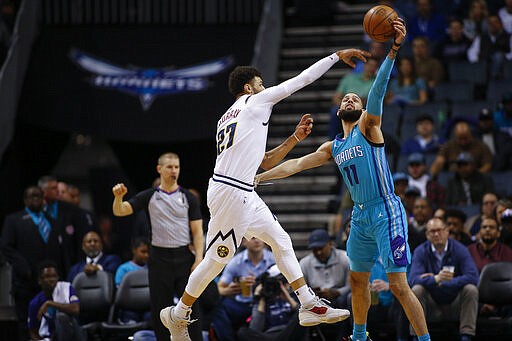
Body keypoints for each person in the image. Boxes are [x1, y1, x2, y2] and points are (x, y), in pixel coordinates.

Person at [156, 46, 372, 340]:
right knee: (216, 261)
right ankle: (179, 314)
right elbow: (302, 79)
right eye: (260, 83)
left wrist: (295, 138)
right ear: (249, 87)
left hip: (239, 189)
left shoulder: (227, 117)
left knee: (280, 240)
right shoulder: (256, 102)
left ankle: (307, 303)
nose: (265, 86)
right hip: (232, 191)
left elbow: (262, 161)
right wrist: (336, 57)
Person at [256, 19, 431, 341]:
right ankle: (360, 337)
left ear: (363, 110)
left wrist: (393, 50)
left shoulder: (369, 128)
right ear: (338, 111)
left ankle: (424, 339)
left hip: (386, 210)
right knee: (356, 281)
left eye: (356, 99)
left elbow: (377, 91)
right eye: (346, 99)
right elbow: (294, 165)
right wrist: (257, 178)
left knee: (398, 285)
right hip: (360, 216)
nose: (350, 100)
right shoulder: (333, 146)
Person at [112, 152, 204, 341]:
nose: (174, 170)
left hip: (184, 257)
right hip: (159, 259)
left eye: (177, 167)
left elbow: (197, 232)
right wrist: (118, 197)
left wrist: (199, 258)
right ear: (159, 169)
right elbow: (120, 211)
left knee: (192, 307)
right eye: (169, 167)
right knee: (159, 309)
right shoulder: (149, 196)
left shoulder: (188, 197)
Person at [1, 186, 64, 341]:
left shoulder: (51, 221)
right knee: (27, 322)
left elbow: (61, 249)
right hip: (26, 281)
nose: (35, 199)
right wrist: (24, 267)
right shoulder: (13, 220)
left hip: (50, 283)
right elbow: (6, 247)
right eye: (31, 196)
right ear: (25, 200)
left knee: (52, 320)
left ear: (43, 198)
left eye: (38, 196)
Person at [409, 218, 479, 341]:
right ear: (427, 235)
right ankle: (417, 336)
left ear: (447, 231)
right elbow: (412, 280)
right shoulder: (420, 251)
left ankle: (466, 336)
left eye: (439, 230)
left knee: (471, 289)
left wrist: (446, 282)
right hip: (431, 305)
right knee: (416, 290)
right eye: (432, 231)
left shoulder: (460, 249)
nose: (436, 234)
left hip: (455, 304)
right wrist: (435, 279)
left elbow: (473, 277)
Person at [212, 237, 275, 341]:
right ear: (244, 242)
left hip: (266, 302)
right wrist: (230, 290)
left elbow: (285, 285)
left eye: (260, 237)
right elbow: (219, 288)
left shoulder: (273, 259)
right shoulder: (236, 261)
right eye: (253, 238)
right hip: (242, 303)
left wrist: (259, 284)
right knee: (216, 306)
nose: (257, 241)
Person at [299, 229, 351, 339]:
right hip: (316, 299)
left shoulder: (345, 258)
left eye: (321, 248)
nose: (318, 252)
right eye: (314, 249)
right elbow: (301, 287)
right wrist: (312, 294)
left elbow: (351, 285)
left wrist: (337, 292)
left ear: (330, 244)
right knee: (301, 306)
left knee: (347, 300)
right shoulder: (304, 263)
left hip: (340, 297)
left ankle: (344, 337)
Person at [236, 265, 305, 341]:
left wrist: (288, 298)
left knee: (303, 315)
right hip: (269, 336)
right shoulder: (263, 299)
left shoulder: (293, 295)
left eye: (281, 283)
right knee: (242, 331)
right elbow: (255, 328)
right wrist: (262, 298)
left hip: (289, 333)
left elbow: (303, 315)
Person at [28, 260, 85, 341]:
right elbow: (33, 331)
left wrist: (50, 303)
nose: (51, 280)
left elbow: (75, 309)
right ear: (39, 280)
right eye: (47, 276)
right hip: (51, 337)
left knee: (62, 317)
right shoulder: (35, 303)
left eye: (54, 276)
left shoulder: (66, 288)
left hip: (74, 334)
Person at [467, 15, 512, 79]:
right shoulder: (481, 38)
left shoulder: (509, 37)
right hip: (484, 64)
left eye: (495, 22)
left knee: (498, 55)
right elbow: (471, 52)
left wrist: (504, 57)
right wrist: (477, 61)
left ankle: (493, 78)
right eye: (490, 23)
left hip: (504, 65)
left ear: (501, 24)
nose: (493, 25)